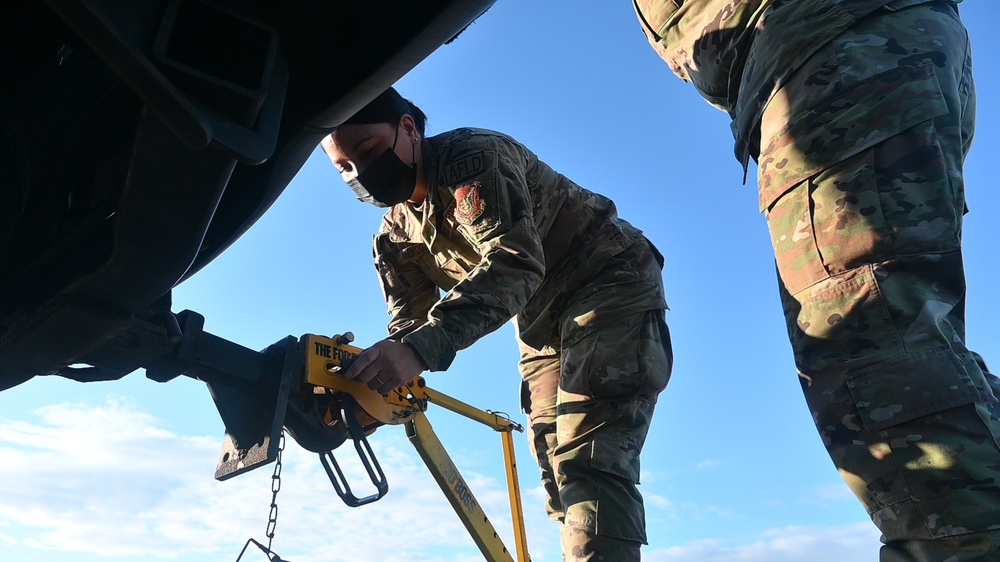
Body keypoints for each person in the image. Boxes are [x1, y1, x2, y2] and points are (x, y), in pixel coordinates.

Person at [633, 0, 1000, 560]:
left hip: (835, 52)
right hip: (857, 48)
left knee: (866, 338)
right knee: (905, 334)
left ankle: (960, 543)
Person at [320, 87, 672, 561]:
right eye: (344, 168)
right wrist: (362, 391)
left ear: (407, 128)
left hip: (608, 280)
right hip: (541, 323)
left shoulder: (472, 158)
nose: (361, 174)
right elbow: (408, 331)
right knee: (554, 466)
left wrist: (418, 349)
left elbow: (515, 263)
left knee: (590, 459)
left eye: (367, 152)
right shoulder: (394, 239)